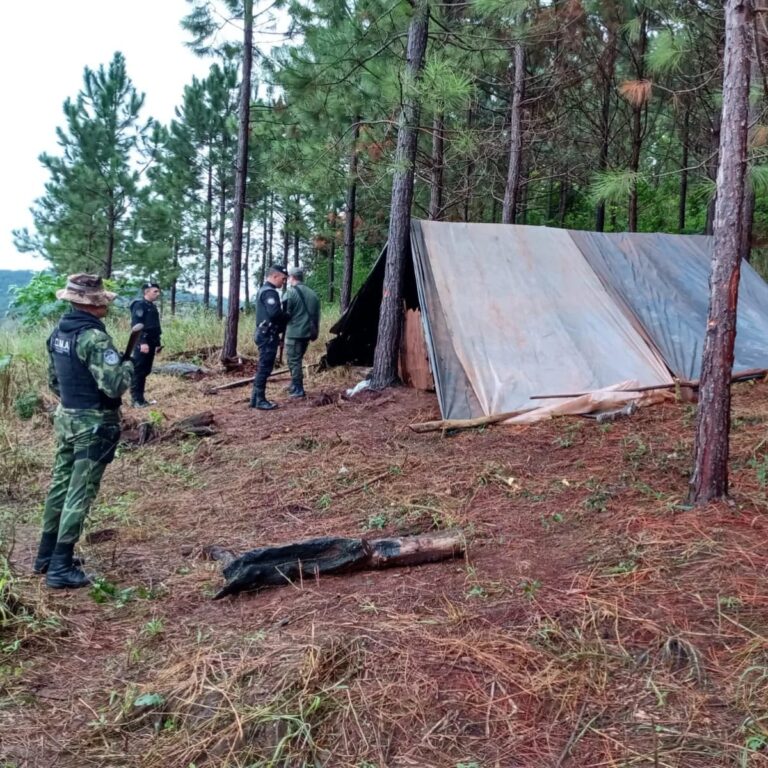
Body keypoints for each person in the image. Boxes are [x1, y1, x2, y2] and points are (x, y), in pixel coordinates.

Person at [34, 274, 134, 588]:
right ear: (92, 302)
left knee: (60, 486)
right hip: (94, 422)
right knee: (80, 490)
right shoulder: (94, 338)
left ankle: (46, 555)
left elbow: (54, 380)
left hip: (67, 417)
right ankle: (61, 568)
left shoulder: (59, 332)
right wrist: (132, 365)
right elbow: (114, 384)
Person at [250, 264, 289, 410]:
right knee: (265, 368)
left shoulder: (264, 290)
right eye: (283, 279)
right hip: (267, 335)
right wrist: (287, 316)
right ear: (275, 276)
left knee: (263, 367)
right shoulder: (270, 292)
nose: (283, 282)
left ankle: (255, 398)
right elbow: (274, 314)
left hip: (265, 333)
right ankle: (260, 400)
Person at [284, 267, 320, 398]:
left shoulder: (290, 293)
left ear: (292, 278)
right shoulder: (313, 294)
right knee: (297, 360)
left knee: (294, 361)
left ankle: (298, 389)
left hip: (294, 333)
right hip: (308, 333)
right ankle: (294, 384)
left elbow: (284, 314)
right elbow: (317, 316)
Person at [129, 281, 162, 407]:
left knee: (145, 370)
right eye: (155, 291)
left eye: (158, 291)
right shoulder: (139, 305)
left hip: (152, 342)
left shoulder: (151, 306)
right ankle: (136, 400)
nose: (158, 294)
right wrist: (142, 342)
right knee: (139, 370)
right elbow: (136, 325)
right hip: (143, 343)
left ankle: (141, 399)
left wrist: (157, 343)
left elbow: (155, 326)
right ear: (146, 292)